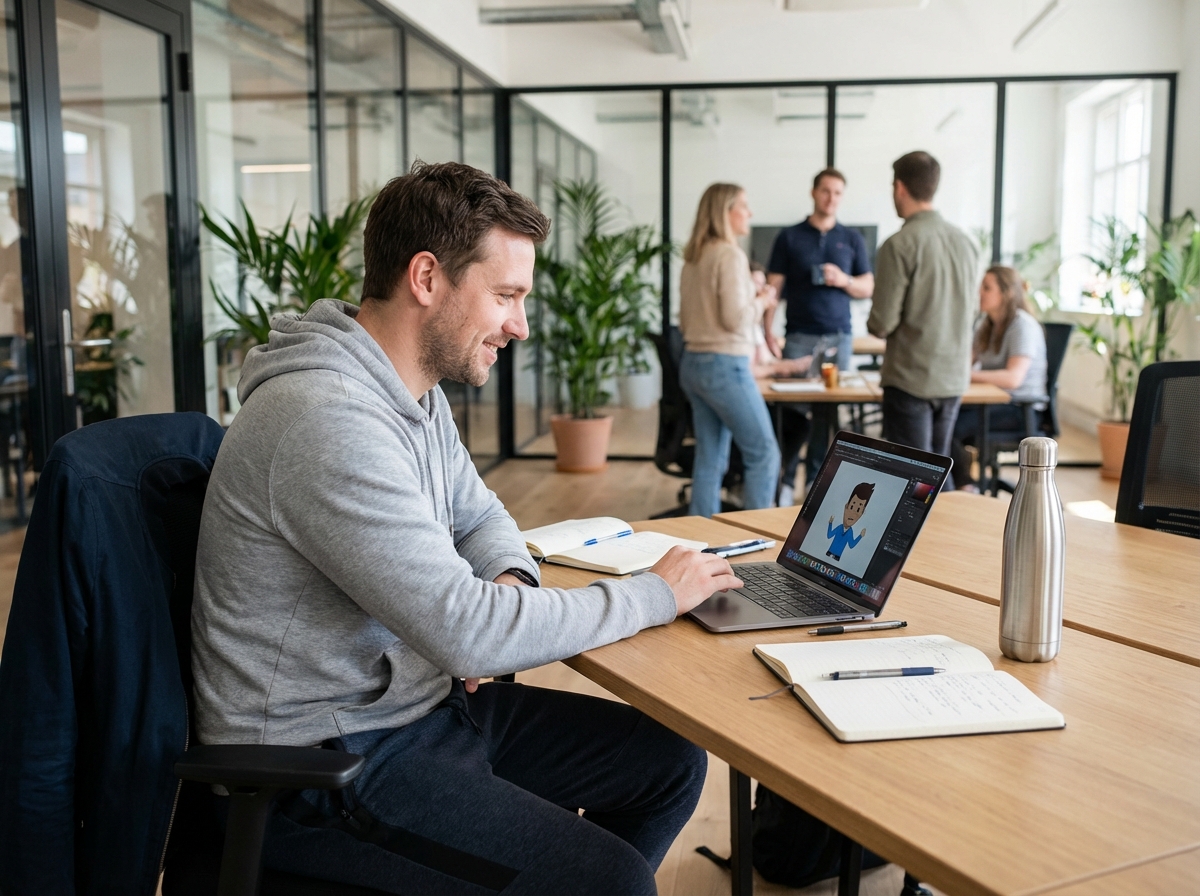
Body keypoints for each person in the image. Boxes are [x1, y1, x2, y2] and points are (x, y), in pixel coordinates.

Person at [190, 161, 744, 895]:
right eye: (507, 296)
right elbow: (465, 633)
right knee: (608, 881)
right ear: (427, 278)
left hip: (416, 710)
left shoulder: (410, 396)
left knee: (668, 764)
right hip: (325, 759)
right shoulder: (326, 419)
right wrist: (654, 595)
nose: (519, 324)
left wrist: (508, 579)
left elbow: (480, 515)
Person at [868, 151, 978, 482]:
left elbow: (882, 323)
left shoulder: (899, 244)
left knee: (913, 479)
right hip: (952, 378)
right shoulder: (966, 243)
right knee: (937, 471)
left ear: (899, 188)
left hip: (911, 378)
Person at [765, 169, 873, 504]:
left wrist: (843, 280)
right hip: (798, 336)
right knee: (793, 414)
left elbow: (867, 287)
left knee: (827, 417)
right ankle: (784, 481)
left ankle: (815, 484)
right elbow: (774, 286)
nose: (831, 198)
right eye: (826, 191)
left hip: (838, 338)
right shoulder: (789, 236)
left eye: (837, 192)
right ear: (814, 193)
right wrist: (766, 330)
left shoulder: (852, 239)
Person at [678, 183, 781, 517]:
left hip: (694, 363)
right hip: (725, 366)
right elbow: (736, 319)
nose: (749, 213)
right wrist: (763, 299)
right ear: (726, 212)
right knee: (764, 453)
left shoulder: (693, 257)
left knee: (710, 458)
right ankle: (757, 540)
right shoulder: (729, 254)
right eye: (744, 205)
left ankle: (702, 538)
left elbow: (685, 321)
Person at [950, 266, 1048, 491]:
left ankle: (965, 485)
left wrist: (968, 376)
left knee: (948, 426)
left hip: (1019, 408)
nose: (979, 293)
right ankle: (964, 483)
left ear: (1007, 293)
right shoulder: (987, 325)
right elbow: (964, 363)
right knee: (941, 416)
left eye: (987, 288)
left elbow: (1014, 378)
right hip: (994, 403)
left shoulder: (1021, 325)